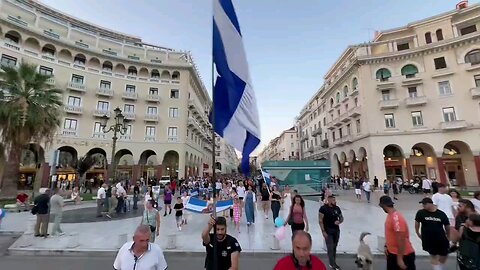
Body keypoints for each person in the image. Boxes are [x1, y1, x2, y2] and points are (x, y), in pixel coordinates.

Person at [379, 195, 416, 270]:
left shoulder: (396, 218)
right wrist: (387, 247)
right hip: (393, 253)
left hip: (403, 255)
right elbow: (391, 234)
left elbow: (401, 239)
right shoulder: (390, 215)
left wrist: (400, 259)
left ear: (383, 205)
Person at [415, 197, 450, 270]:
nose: (423, 206)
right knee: (433, 254)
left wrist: (448, 236)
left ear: (430, 204)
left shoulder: (441, 214)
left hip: (441, 237)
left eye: (424, 204)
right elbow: (417, 222)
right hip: (428, 238)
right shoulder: (421, 213)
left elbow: (447, 225)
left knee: (444, 253)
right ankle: (437, 268)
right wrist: (417, 233)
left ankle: (439, 265)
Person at [319, 195, 343, 270]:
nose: (334, 201)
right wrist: (323, 231)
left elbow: (341, 217)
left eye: (335, 200)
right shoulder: (323, 208)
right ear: (328, 200)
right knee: (330, 247)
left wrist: (339, 221)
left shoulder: (337, 208)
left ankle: (332, 262)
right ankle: (333, 264)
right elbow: (320, 220)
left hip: (336, 230)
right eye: (333, 200)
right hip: (328, 230)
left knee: (334, 247)